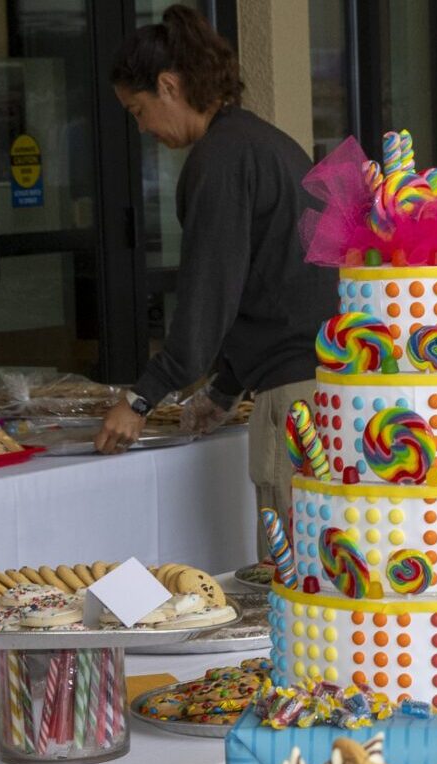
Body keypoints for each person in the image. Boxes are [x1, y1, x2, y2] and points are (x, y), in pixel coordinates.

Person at [103, 4, 328, 529]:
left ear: (167, 86)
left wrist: (138, 401)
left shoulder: (220, 160)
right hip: (326, 378)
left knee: (288, 571)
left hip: (293, 390)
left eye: (137, 111)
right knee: (321, 566)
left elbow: (209, 295)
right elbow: (266, 286)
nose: (142, 128)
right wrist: (224, 389)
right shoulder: (257, 141)